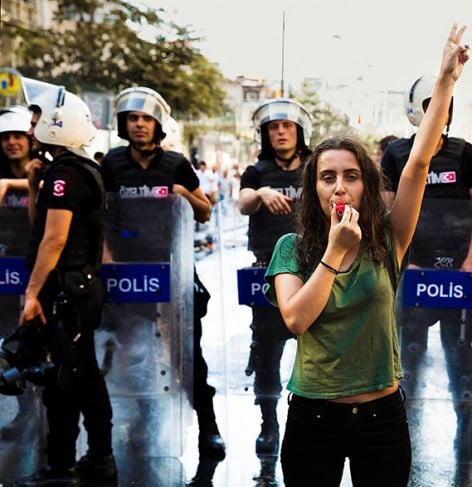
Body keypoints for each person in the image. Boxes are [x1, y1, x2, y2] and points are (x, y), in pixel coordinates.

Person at [264, 24, 469, 486]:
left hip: (382, 418)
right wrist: (334, 253)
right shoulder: (291, 249)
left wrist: (445, 81)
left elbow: (418, 162)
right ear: (312, 187)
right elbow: (296, 320)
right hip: (313, 419)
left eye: (352, 176)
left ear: (367, 185)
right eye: (327, 176)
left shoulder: (387, 239)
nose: (339, 186)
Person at [100, 86, 224, 458]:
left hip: (172, 273)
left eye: (147, 120)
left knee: (186, 354)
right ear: (124, 124)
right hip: (126, 275)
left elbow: (204, 210)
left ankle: (209, 427)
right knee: (129, 354)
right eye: (133, 119)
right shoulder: (111, 163)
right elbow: (102, 218)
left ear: (158, 125)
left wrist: (180, 193)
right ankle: (140, 421)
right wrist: (107, 262)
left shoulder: (176, 164)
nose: (140, 125)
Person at [380, 70, 472, 466]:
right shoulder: (395, 154)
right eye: (431, 105)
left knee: (462, 356)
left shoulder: (464, 153)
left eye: (443, 105)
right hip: (414, 273)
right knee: (406, 358)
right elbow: (388, 211)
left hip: (458, 274)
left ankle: (467, 429)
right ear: (416, 111)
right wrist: (403, 263)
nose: (438, 112)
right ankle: (402, 433)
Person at [15, 87, 115, 486]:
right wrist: (34, 183)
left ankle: (62, 468)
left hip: (66, 292)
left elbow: (54, 240)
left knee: (64, 381)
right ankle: (100, 458)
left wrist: (32, 293)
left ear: (59, 123)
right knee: (83, 373)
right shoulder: (67, 169)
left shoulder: (67, 173)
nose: (31, 126)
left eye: (38, 118)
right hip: (76, 289)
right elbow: (42, 228)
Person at [238, 97, 312, 458]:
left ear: (299, 131)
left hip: (314, 271)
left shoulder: (315, 167)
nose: (280, 132)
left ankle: (313, 423)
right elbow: (243, 203)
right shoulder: (257, 172)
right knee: (267, 354)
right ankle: (269, 423)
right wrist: (262, 193)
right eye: (273, 127)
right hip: (268, 269)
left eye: (286, 126)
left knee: (316, 351)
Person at [0, 105, 36, 441]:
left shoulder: (44, 170)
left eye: (18, 136)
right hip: (3, 274)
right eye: (5, 137)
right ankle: (22, 413)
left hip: (35, 273)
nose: (12, 142)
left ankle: (39, 417)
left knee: (35, 347)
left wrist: (10, 184)